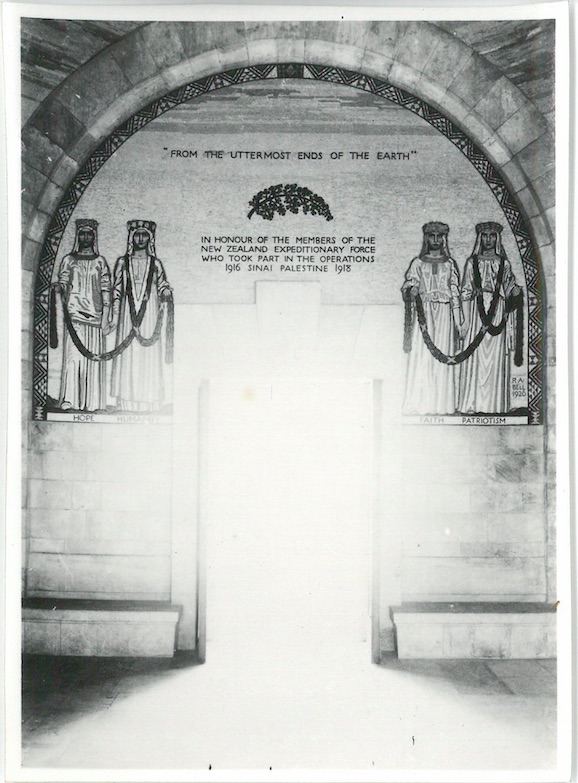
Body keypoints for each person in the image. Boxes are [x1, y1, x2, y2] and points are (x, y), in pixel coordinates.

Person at [458, 221, 522, 414]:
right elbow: (465, 291)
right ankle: (472, 404)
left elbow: (509, 286)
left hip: (497, 311)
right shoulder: (472, 262)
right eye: (485, 235)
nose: (488, 239)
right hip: (477, 312)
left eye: (492, 235)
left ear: (497, 238)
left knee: (495, 358)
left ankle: (494, 405)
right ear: (480, 238)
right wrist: (465, 320)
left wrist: (514, 291)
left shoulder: (504, 263)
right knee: (475, 356)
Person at [402, 222, 464, 415]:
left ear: (444, 239)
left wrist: (458, 320)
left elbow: (455, 292)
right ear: (426, 238)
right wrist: (411, 290)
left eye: (439, 236)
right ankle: (421, 403)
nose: (435, 240)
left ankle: (442, 405)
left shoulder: (449, 264)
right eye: (432, 236)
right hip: (425, 313)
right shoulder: (418, 263)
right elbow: (409, 284)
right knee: (422, 356)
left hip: (445, 313)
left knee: (443, 354)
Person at [110, 220, 173, 412]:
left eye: (144, 235)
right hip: (127, 315)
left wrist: (165, 291)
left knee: (148, 355)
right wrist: (114, 314)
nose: (140, 239)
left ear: (150, 238)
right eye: (137, 234)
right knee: (128, 355)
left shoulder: (156, 263)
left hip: (150, 313)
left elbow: (162, 284)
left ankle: (150, 401)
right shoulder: (123, 262)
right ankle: (126, 401)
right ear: (131, 237)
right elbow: (116, 289)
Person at [55, 218, 111, 411]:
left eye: (89, 234)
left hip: (95, 316)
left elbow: (106, 288)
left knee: (92, 360)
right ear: (78, 236)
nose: (86, 237)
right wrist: (59, 287)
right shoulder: (69, 260)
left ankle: (92, 402)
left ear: (94, 237)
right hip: (74, 316)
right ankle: (70, 400)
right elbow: (63, 281)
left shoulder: (100, 262)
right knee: (73, 359)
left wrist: (106, 317)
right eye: (82, 234)